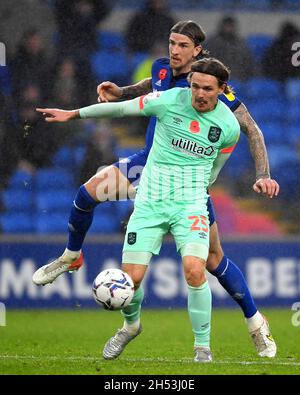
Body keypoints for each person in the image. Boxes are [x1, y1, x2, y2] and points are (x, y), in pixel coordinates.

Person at [32, 21, 279, 358]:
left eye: (181, 46)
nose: (173, 51)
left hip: (188, 181)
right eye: (171, 43)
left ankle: (255, 324)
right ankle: (71, 256)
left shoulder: (212, 85)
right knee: (86, 194)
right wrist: (123, 91)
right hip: (145, 165)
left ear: (198, 51)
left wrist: (262, 172)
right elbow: (152, 84)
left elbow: (251, 129)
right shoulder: (164, 69)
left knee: (212, 260)